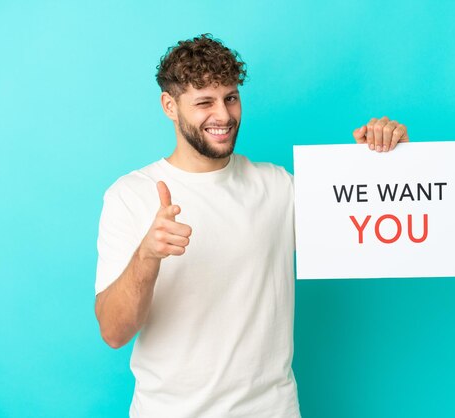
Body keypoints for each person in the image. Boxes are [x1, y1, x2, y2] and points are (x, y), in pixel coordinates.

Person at [94, 33, 409, 418]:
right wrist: (148, 254)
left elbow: (370, 229)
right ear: (169, 106)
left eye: (230, 97)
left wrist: (383, 161)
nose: (223, 116)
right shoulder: (130, 195)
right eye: (204, 102)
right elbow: (113, 332)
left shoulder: (278, 186)